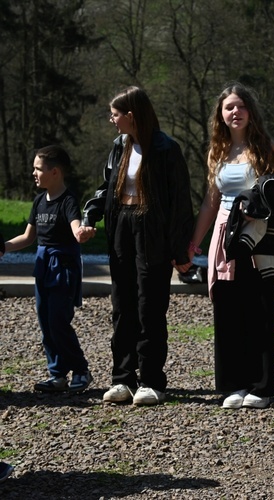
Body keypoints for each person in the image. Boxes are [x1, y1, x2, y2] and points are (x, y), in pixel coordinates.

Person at [78, 86, 194, 406]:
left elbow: (180, 203)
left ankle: (152, 380)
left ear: (131, 115)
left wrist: (180, 251)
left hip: (152, 232)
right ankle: (123, 379)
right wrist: (90, 216)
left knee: (150, 307)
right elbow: (106, 188)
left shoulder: (166, 149)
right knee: (122, 305)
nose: (112, 120)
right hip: (122, 229)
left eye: (115, 115)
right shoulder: (120, 146)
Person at [188, 83, 274, 410]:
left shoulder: (267, 148)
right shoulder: (217, 151)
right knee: (228, 311)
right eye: (229, 107)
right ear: (221, 114)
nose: (235, 112)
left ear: (251, 111)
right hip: (225, 237)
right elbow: (209, 202)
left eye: (241, 106)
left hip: (261, 237)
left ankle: (261, 387)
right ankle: (233, 385)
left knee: (260, 311)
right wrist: (194, 242)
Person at [1, 145, 92, 394]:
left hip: (63, 268)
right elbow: (28, 237)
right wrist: (3, 247)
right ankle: (57, 374)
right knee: (45, 323)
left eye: (38, 168)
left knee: (58, 322)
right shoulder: (40, 200)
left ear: (55, 172)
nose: (33, 173)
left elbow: (76, 228)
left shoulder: (68, 201)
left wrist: (81, 233)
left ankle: (81, 370)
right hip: (43, 267)